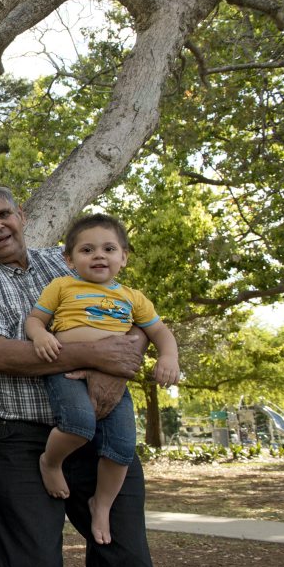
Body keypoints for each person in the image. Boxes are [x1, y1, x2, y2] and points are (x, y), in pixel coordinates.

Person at [0, 185, 155, 567]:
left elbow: (138, 316)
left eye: (4, 214)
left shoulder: (67, 260)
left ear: (21, 216)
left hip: (99, 429)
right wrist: (95, 355)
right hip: (24, 440)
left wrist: (120, 364)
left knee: (127, 566)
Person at [25, 213, 180, 544]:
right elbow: (35, 320)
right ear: (69, 259)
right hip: (68, 371)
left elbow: (160, 332)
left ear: (124, 257)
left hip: (113, 377)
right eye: (87, 250)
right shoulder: (62, 286)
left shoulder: (133, 298)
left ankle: (102, 504)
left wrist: (169, 357)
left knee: (122, 446)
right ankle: (51, 462)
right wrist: (40, 336)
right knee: (78, 424)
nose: (98, 255)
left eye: (109, 249)